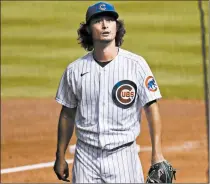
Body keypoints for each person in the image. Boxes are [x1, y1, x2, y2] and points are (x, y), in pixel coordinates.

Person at [53, 1, 166, 183]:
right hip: (85, 159)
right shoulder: (74, 70)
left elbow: (151, 108)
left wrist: (157, 153)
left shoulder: (136, 65)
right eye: (98, 21)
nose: (105, 25)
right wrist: (60, 155)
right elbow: (67, 114)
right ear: (88, 29)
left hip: (124, 157)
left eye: (110, 20)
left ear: (116, 26)